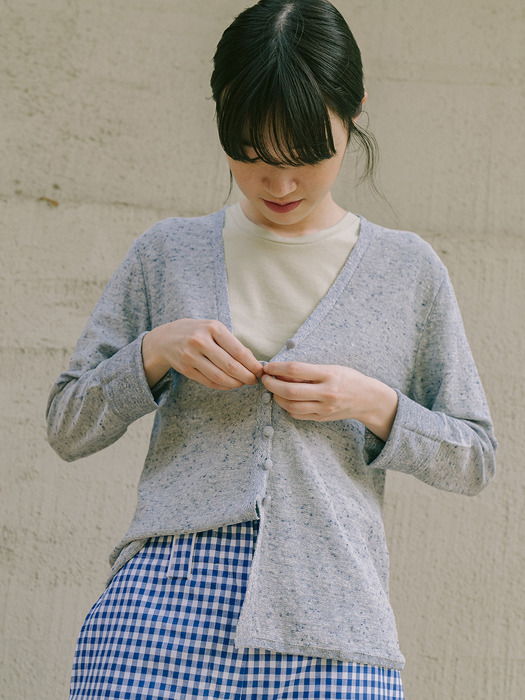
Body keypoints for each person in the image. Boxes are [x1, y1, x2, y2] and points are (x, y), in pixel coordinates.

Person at [46, 0, 497, 698]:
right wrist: (154, 352)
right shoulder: (168, 254)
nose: (279, 184)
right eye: (250, 155)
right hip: (157, 621)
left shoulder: (406, 271)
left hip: (333, 629)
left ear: (355, 113)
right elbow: (67, 424)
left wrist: (373, 404)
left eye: (307, 156)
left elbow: (473, 458)